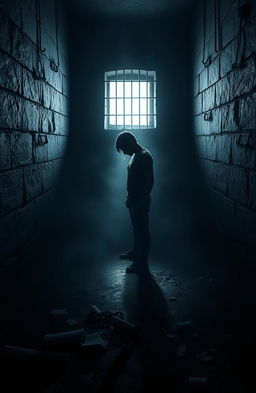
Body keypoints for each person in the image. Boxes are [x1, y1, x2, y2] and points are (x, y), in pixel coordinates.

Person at [115, 132, 154, 274]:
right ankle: (136, 253)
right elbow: (133, 180)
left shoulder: (144, 156)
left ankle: (142, 262)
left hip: (140, 200)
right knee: (137, 228)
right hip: (134, 199)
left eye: (124, 149)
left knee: (142, 230)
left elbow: (149, 182)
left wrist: (142, 201)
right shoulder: (136, 155)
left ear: (130, 143)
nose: (124, 152)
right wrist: (129, 197)